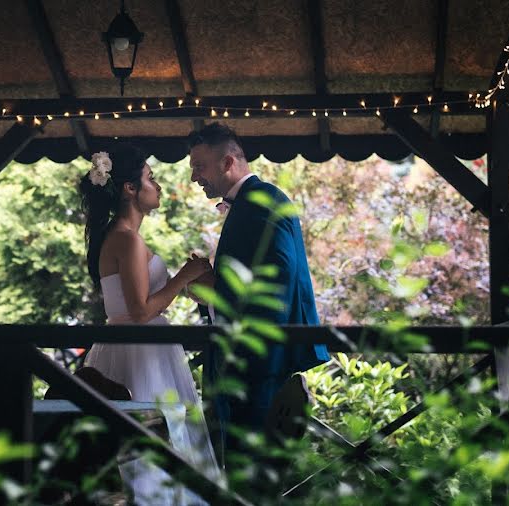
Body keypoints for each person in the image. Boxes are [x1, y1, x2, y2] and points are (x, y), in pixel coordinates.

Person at [78, 144, 221, 504]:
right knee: (152, 445)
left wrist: (188, 285)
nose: (157, 187)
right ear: (129, 188)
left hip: (134, 348)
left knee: (156, 444)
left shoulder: (122, 236)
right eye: (151, 179)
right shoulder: (126, 239)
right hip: (140, 353)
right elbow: (141, 312)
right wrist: (183, 276)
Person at [187, 123, 330, 452]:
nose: (194, 177)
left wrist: (210, 287)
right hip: (252, 359)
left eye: (199, 166)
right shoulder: (255, 201)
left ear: (228, 163)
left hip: (259, 362)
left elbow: (276, 283)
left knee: (250, 466)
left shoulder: (261, 202)